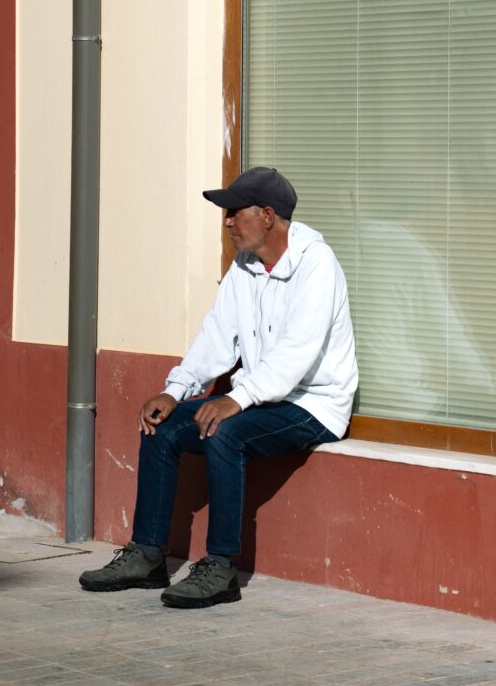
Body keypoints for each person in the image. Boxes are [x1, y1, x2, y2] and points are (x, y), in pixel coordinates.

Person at [79, 166, 358, 609]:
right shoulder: (244, 267)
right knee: (164, 425)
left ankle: (222, 568)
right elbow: (216, 336)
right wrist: (176, 389)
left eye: (234, 212)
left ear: (267, 215)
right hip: (258, 398)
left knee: (225, 432)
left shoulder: (317, 266)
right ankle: (148, 554)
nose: (226, 221)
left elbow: (296, 354)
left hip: (313, 404)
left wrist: (235, 399)